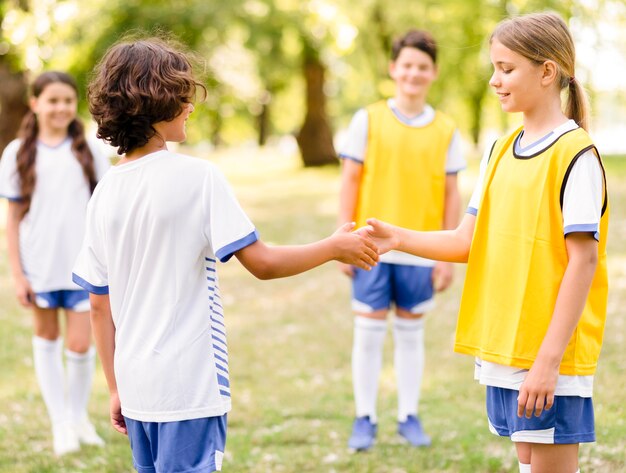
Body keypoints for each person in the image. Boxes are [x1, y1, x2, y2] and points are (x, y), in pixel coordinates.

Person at [71, 37, 379, 473]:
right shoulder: (198, 177)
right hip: (188, 388)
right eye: (183, 95)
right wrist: (333, 248)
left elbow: (98, 304)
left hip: (136, 389)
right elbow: (263, 263)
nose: (191, 105)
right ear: (158, 103)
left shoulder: (105, 191)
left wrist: (115, 388)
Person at [361, 12, 608, 473]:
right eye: (493, 68)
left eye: (506, 68)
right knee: (527, 463)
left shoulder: (576, 155)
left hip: (547, 354)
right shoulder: (499, 149)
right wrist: (398, 238)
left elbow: (584, 263)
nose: (494, 80)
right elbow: (466, 241)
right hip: (504, 345)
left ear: (547, 71)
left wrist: (548, 362)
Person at [337, 29, 464, 450]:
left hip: (420, 250)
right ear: (393, 69)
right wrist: (343, 239)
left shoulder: (446, 129)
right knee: (368, 333)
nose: (414, 73)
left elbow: (451, 194)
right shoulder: (367, 119)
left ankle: (409, 415)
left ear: (434, 73)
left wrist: (446, 256)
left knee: (411, 335)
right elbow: (350, 180)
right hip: (370, 246)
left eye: (422, 67)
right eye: (407, 65)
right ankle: (365, 418)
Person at [0, 71, 110, 456]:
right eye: (52, 100)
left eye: (67, 100)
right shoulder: (17, 153)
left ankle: (78, 417)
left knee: (80, 345)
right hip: (40, 267)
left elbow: (104, 211)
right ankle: (60, 423)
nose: (61, 107)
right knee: (47, 339)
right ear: (35, 103)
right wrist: (18, 275)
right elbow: (11, 222)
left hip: (82, 266)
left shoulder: (90, 150)